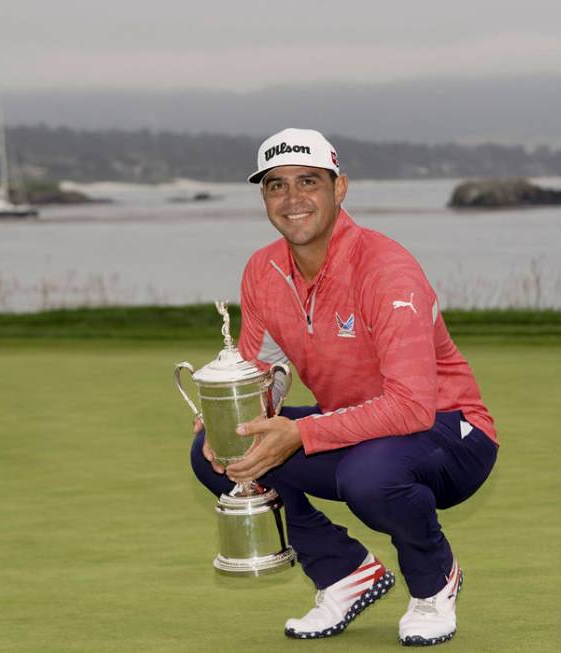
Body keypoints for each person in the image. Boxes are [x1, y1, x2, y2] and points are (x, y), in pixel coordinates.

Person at [190, 128, 498, 646]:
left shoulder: (386, 269)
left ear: (340, 188)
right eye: (275, 185)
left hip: (452, 433)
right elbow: (259, 370)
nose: (292, 199)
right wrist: (224, 421)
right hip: (358, 429)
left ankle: (434, 582)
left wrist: (301, 434)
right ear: (263, 196)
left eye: (308, 181)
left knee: (368, 475)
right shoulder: (264, 269)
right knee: (221, 452)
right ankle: (345, 574)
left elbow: (411, 408)